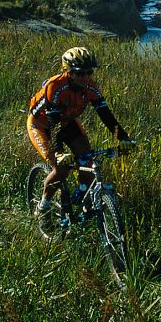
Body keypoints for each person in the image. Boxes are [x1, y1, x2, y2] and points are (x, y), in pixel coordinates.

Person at [28, 47, 131, 215]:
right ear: (67, 72)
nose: (86, 77)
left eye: (89, 72)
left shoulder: (90, 86)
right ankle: (43, 207)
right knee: (61, 169)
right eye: (80, 73)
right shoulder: (55, 86)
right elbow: (54, 124)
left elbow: (105, 115)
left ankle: (81, 197)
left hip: (67, 122)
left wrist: (123, 138)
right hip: (42, 125)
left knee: (88, 162)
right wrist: (59, 152)